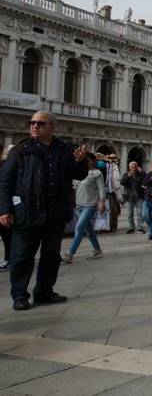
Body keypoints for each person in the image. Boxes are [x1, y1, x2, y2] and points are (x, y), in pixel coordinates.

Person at [0, 111, 89, 311]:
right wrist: (5, 209)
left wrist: (81, 162)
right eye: (32, 122)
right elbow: (5, 181)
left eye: (40, 123)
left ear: (52, 127)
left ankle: (44, 291)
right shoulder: (21, 150)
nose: (34, 126)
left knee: (51, 255)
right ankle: (20, 295)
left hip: (54, 213)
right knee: (22, 256)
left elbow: (79, 174)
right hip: (27, 212)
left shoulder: (64, 149)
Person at [61, 153, 105, 263]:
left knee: (79, 228)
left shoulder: (97, 173)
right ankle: (97, 250)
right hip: (79, 204)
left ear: (92, 161)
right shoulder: (78, 173)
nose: (85, 162)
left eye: (87, 160)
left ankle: (70, 254)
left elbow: (102, 189)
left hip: (90, 204)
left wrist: (101, 202)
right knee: (88, 228)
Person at [121, 161, 144, 234]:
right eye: (132, 167)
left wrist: (142, 172)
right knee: (130, 213)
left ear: (137, 167)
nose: (134, 169)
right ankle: (131, 227)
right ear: (129, 168)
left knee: (140, 213)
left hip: (139, 196)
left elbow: (146, 179)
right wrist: (128, 176)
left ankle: (140, 228)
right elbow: (122, 182)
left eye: (135, 167)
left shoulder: (140, 174)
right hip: (129, 197)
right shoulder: (126, 174)